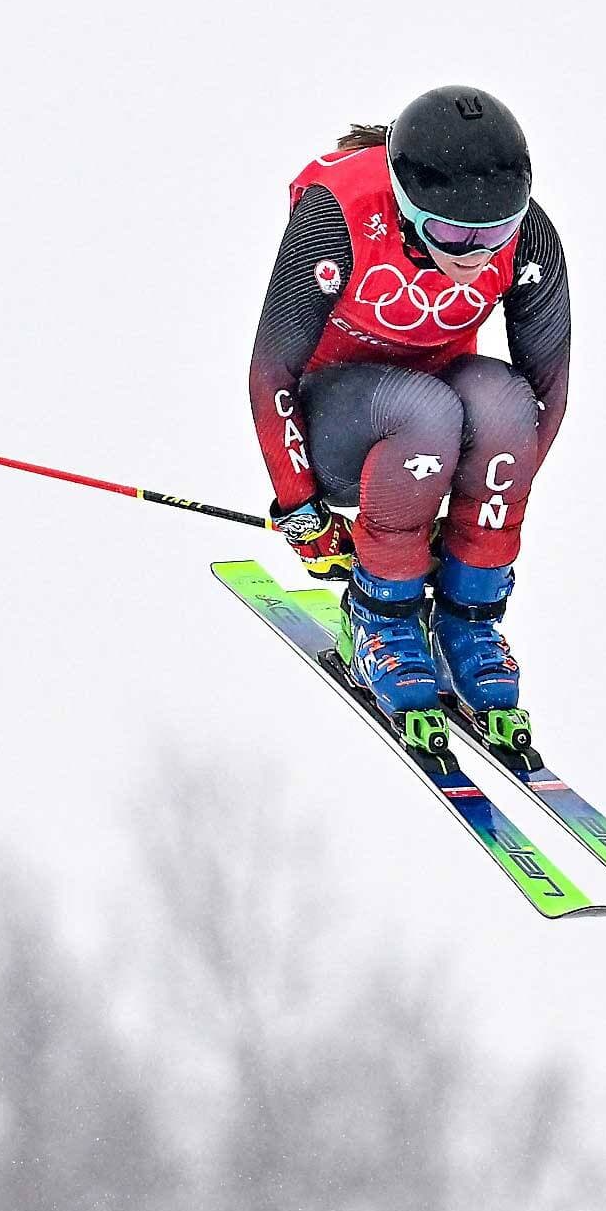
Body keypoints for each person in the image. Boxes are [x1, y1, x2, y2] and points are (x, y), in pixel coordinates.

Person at [247, 86, 570, 741]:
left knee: (505, 403)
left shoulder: (530, 235)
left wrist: (472, 521)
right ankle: (380, 615)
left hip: (432, 443)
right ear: (404, 203)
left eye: (494, 233)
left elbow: (549, 392)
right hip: (340, 427)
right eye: (450, 233)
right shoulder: (338, 214)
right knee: (428, 410)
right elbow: (270, 372)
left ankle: (467, 619)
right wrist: (301, 506)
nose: (474, 254)